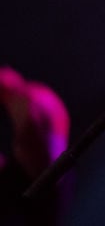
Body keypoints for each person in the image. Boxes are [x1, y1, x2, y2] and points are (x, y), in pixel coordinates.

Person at [0, 65, 72, 226]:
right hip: (42, 173)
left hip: (46, 177)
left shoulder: (33, 102)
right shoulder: (31, 97)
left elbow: (48, 146)